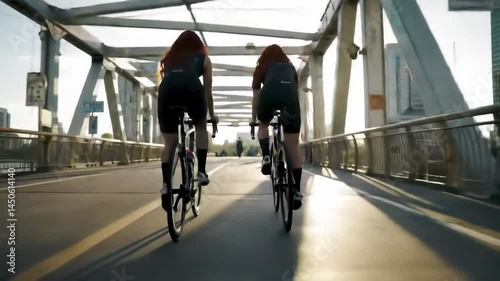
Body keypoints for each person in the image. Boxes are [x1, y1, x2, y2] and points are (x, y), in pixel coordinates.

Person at [157, 30, 218, 211]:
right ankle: (201, 172)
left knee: (170, 142)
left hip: (167, 91)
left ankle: (166, 186)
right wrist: (212, 116)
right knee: (200, 128)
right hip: (192, 90)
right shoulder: (204, 59)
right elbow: (208, 91)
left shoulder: (168, 59)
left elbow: (167, 78)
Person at [250, 44, 303, 210]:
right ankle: (296, 191)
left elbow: (256, 96)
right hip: (289, 99)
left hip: (269, 96)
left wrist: (254, 119)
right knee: (293, 145)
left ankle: (266, 156)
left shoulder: (262, 67)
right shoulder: (291, 67)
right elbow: (295, 89)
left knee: (264, 125)